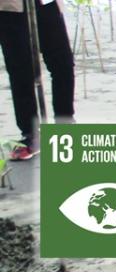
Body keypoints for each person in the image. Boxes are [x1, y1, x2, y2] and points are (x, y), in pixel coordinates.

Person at [0, 0, 74, 160]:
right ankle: (30, 134)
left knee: (63, 63)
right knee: (20, 71)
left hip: (45, 4)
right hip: (10, 9)